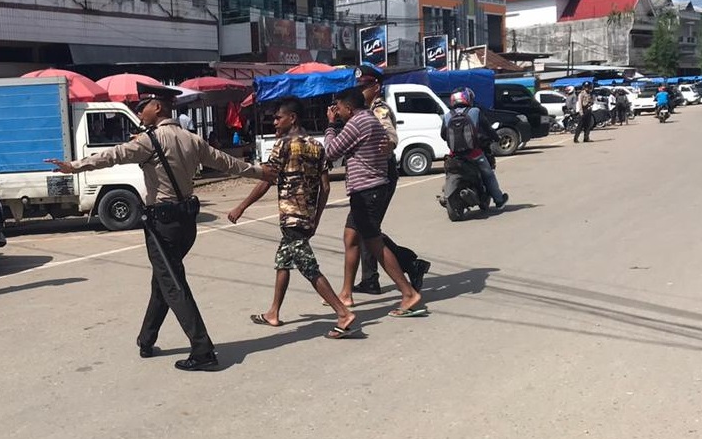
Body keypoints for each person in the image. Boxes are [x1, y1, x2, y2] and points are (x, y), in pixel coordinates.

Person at [47, 84, 274, 371]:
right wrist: (259, 171)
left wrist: (74, 166)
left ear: (159, 107)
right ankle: (146, 338)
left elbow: (113, 155)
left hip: (162, 224)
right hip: (187, 222)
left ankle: (203, 350)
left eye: (143, 105)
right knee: (164, 280)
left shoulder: (149, 141)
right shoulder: (191, 139)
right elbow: (226, 162)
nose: (139, 111)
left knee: (172, 283)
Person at [227, 98, 360, 338]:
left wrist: (241, 207)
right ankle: (273, 312)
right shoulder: (317, 146)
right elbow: (326, 188)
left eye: (279, 118)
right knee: (283, 261)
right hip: (306, 217)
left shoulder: (283, 145)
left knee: (309, 268)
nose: (275, 122)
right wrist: (316, 217)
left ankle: (342, 312)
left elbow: (267, 179)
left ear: (292, 118)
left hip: (291, 217)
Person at [324, 88, 426, 317]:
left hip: (368, 191)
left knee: (374, 244)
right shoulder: (369, 119)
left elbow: (330, 152)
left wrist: (330, 125)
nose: (336, 112)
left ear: (348, 107)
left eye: (338, 107)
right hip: (368, 190)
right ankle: (346, 293)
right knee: (351, 238)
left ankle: (408, 293)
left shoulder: (357, 122)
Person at [343, 65, 429, 302]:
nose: (360, 91)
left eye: (364, 87)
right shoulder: (363, 111)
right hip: (370, 177)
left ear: (375, 87)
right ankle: (370, 279)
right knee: (364, 230)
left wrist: (388, 145)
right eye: (358, 87)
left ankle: (409, 266)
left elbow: (390, 135)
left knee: (368, 231)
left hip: (379, 176)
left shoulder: (379, 110)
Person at [442, 88, 509, 209]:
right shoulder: (475, 111)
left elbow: (443, 135)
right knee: (488, 174)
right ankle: (499, 200)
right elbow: (488, 129)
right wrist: (497, 138)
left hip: (454, 155)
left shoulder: (447, 116)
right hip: (474, 153)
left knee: (448, 172)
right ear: (468, 98)